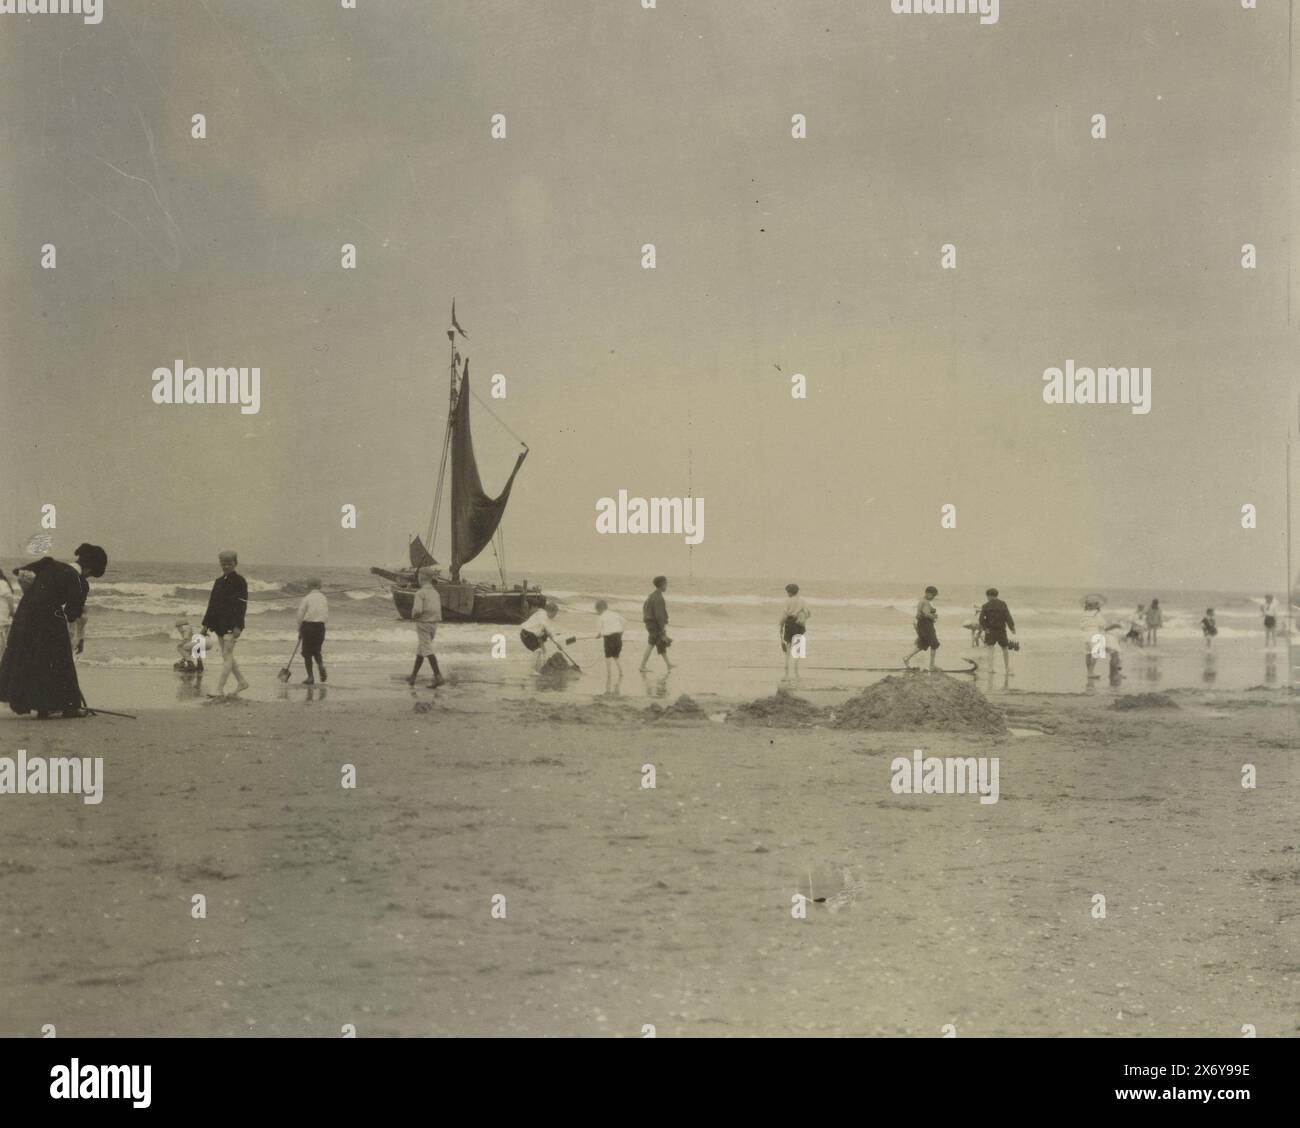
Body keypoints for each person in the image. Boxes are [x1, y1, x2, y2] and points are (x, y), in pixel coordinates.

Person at [0, 543, 107, 719]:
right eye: (91, 574)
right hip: (49, 619)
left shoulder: (49, 564)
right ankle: (69, 707)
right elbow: (72, 614)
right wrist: (78, 636)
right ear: (88, 568)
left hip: (24, 615)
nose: (89, 577)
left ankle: (40, 707)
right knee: (60, 659)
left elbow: (19, 572)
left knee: (31, 657)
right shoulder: (79, 581)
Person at [202, 549, 250, 696]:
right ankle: (242, 682)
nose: (226, 566)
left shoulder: (240, 581)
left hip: (232, 624)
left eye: (229, 563)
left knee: (227, 655)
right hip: (219, 625)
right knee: (226, 655)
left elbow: (242, 605)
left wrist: (238, 626)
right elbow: (212, 604)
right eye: (223, 563)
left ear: (235, 563)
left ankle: (219, 689)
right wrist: (205, 625)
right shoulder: (218, 582)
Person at [407, 567, 444, 687]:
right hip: (434, 624)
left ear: (421, 578)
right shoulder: (436, 593)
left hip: (423, 624)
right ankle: (413, 676)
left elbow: (417, 610)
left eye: (418, 576)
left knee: (427, 650)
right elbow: (437, 610)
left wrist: (413, 615)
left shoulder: (420, 593)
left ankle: (438, 676)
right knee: (422, 649)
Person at [520, 601, 575, 672]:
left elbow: (548, 634)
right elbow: (550, 632)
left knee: (543, 650)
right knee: (537, 651)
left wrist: (557, 644)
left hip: (534, 635)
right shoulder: (544, 618)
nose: (555, 616)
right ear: (551, 612)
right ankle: (532, 670)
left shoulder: (542, 612)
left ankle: (540, 668)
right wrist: (559, 644)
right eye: (555, 614)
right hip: (527, 635)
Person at [1080, 596, 1122, 681]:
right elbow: (1103, 626)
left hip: (1085, 636)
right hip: (1095, 635)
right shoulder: (1096, 614)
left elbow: (1082, 626)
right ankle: (1091, 672)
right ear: (1096, 606)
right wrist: (1115, 625)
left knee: (1088, 654)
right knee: (1095, 654)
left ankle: (1089, 672)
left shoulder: (1084, 614)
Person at [297, 577, 329, 685]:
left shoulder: (306, 598)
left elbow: (300, 615)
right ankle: (320, 665)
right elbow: (325, 614)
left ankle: (310, 677)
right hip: (320, 627)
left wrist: (300, 630)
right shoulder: (324, 598)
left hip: (308, 626)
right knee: (316, 651)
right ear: (319, 586)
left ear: (308, 586)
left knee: (307, 653)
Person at [978, 587, 1016, 675]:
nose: (987, 598)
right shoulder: (1003, 604)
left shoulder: (985, 606)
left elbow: (981, 619)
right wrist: (1012, 627)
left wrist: (985, 628)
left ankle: (991, 669)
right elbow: (1008, 617)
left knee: (990, 649)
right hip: (1001, 630)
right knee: (1005, 649)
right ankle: (1007, 669)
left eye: (987, 596)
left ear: (989, 596)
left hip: (990, 631)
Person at [903, 585, 940, 671]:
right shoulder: (925, 602)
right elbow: (927, 614)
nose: (933, 597)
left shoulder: (922, 601)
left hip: (922, 624)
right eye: (933, 595)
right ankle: (932, 665)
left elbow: (921, 614)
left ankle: (906, 657)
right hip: (926, 625)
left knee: (923, 644)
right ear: (928, 593)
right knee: (934, 643)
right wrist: (934, 616)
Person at [639, 576, 672, 672]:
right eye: (666, 584)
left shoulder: (651, 595)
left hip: (651, 624)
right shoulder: (658, 597)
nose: (667, 586)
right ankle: (642, 666)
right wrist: (662, 627)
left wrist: (647, 619)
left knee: (660, 643)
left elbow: (644, 608)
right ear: (662, 585)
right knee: (651, 644)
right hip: (655, 625)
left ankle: (668, 664)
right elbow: (659, 615)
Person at [779, 583, 811, 679]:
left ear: (789, 592)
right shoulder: (802, 601)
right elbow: (808, 613)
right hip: (799, 624)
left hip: (790, 622)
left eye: (787, 592)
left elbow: (784, 614)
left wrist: (780, 624)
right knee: (798, 644)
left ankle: (787, 665)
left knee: (788, 643)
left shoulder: (787, 601)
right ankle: (796, 666)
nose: (787, 593)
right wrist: (802, 618)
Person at [592, 599, 625, 691]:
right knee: (616, 656)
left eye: (597, 610)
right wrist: (621, 631)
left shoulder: (601, 617)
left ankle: (609, 673)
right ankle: (621, 672)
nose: (597, 612)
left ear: (600, 609)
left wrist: (598, 635)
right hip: (618, 636)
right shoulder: (615, 614)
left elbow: (599, 630)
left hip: (609, 638)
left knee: (608, 656)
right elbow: (624, 621)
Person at [0, 568, 15, 657]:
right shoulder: (3, 583)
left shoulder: (2, 583)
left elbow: (9, 599)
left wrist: (12, 611)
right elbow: (10, 599)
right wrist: (12, 612)